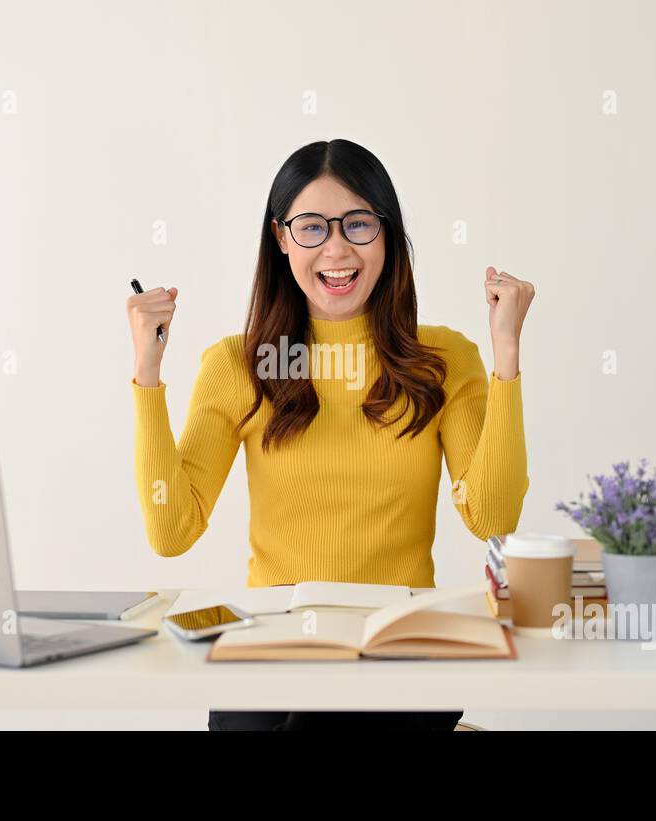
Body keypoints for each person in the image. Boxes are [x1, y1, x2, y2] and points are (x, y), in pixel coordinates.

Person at [126, 139, 533, 731]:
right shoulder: (240, 364)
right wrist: (147, 373)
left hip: (400, 644)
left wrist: (507, 357)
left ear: (387, 235)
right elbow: (171, 531)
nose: (337, 249)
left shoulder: (442, 357)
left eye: (359, 224)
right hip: (273, 643)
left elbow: (493, 517)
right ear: (281, 237)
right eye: (312, 227)